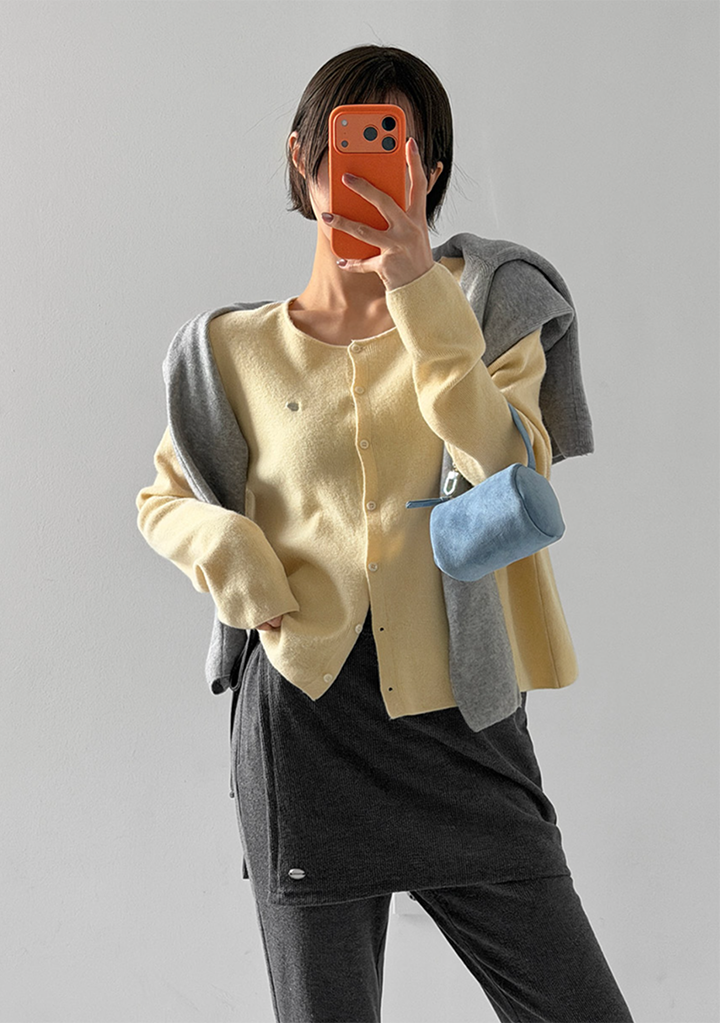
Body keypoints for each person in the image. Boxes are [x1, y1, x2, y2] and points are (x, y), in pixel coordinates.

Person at [136, 44, 636, 1023]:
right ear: (301, 156)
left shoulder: (488, 307)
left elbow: (506, 462)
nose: (361, 169)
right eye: (344, 141)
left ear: (427, 169)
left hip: (465, 728)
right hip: (305, 731)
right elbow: (163, 500)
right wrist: (238, 559)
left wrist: (417, 293)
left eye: (392, 144)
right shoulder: (231, 350)